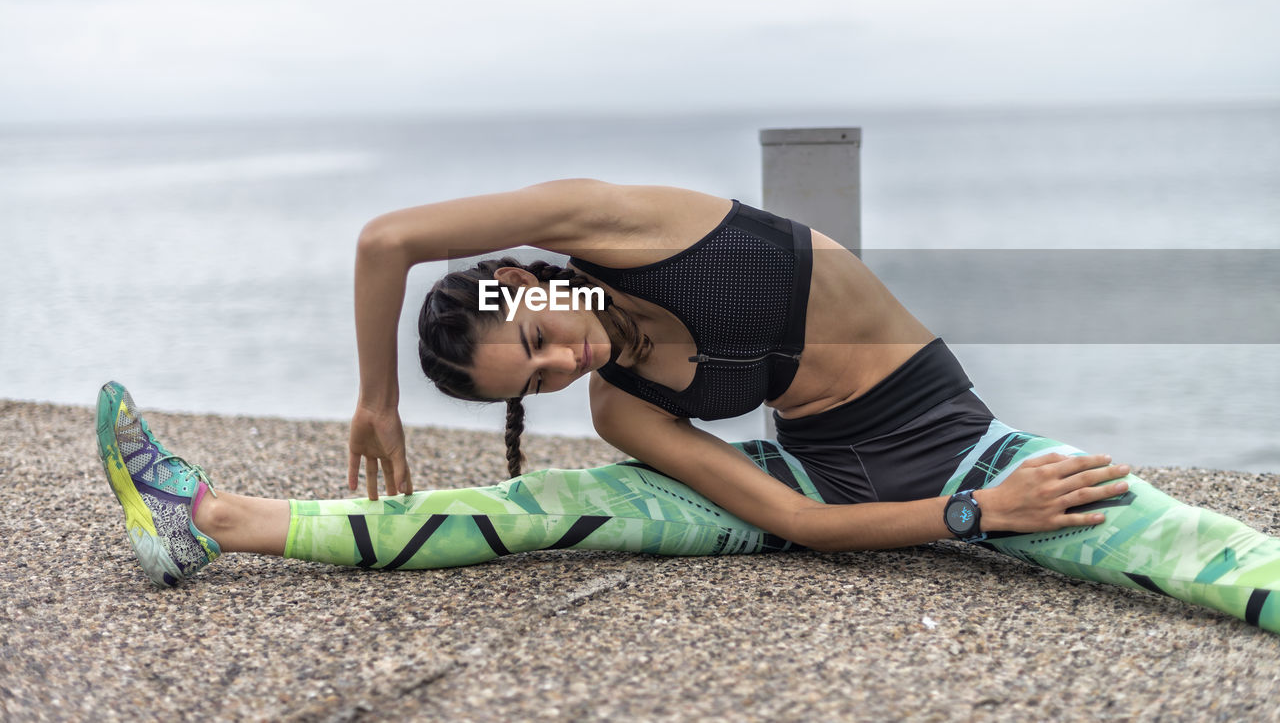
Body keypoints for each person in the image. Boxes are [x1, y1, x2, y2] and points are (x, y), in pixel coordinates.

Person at [97, 180, 1280, 633]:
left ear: (529, 277)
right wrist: (976, 521)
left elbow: (387, 237)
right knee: (539, 506)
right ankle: (210, 512)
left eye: (540, 336)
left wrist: (373, 398)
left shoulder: (628, 226)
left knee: (1180, 540)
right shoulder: (620, 408)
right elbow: (803, 528)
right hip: (820, 483)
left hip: (964, 444)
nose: (563, 363)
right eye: (541, 378)